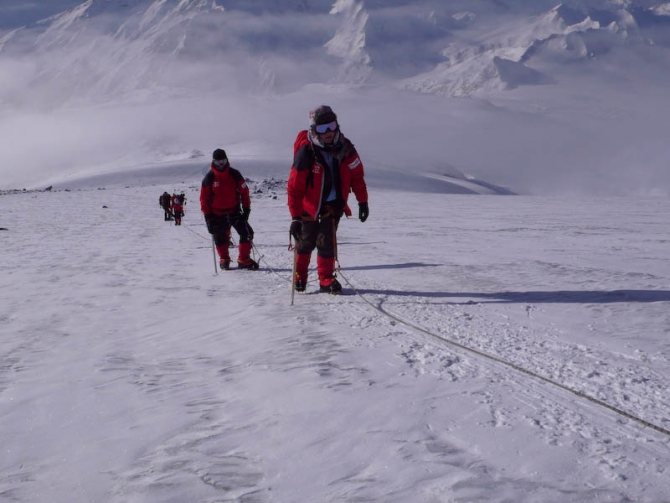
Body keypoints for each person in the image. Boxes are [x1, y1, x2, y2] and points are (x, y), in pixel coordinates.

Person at [287, 105, 369, 294]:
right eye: (322, 128)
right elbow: (294, 188)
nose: (328, 133)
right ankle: (299, 275)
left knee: (326, 243)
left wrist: (362, 201)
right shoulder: (306, 153)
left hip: (333, 206)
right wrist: (295, 217)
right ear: (314, 130)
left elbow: (357, 175)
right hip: (309, 207)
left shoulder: (346, 147)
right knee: (306, 242)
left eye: (331, 126)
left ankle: (325, 278)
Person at [200, 148, 259, 270]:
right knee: (220, 237)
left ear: (227, 160)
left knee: (247, 233)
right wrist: (208, 218)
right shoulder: (209, 178)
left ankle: (244, 259)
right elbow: (204, 200)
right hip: (216, 213)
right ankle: (224, 259)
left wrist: (246, 209)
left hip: (234, 211)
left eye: (223, 161)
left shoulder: (235, 174)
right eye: (218, 162)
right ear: (213, 162)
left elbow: (244, 192)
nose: (221, 164)